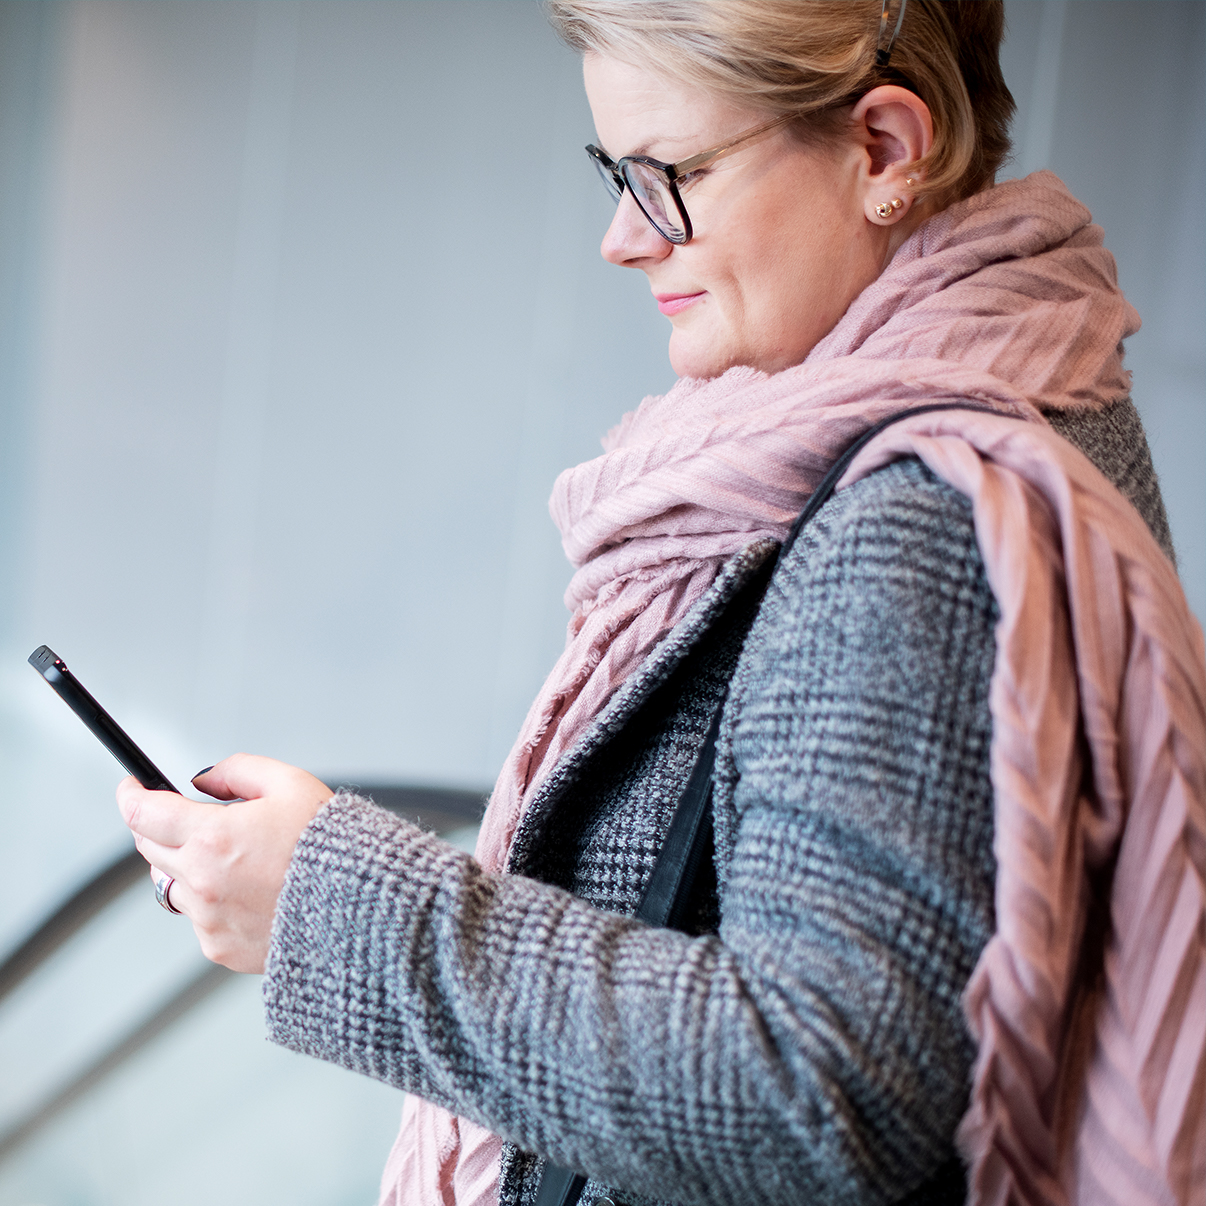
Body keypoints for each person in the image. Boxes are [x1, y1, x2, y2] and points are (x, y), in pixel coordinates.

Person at [116, 3, 1205, 1205]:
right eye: (616, 173)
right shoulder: (1042, 369)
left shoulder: (919, 516)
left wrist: (330, 910)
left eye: (671, 176)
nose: (624, 238)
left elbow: (817, 1095)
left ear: (885, 148)